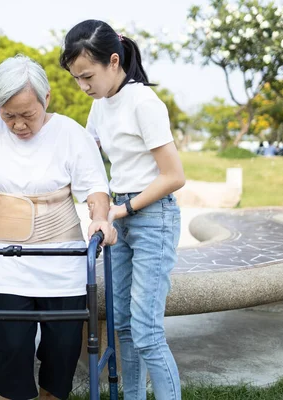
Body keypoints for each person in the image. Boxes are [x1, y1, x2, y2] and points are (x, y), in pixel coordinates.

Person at [0, 55, 117, 400]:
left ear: (46, 99)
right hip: (5, 264)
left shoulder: (70, 134)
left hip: (62, 264)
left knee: (63, 350)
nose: (18, 125)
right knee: (13, 349)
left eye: (27, 115)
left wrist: (98, 218)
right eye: (9, 115)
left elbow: (95, 188)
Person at [61, 20, 186, 400]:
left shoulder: (143, 102)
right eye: (76, 78)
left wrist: (123, 208)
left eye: (87, 76)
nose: (83, 86)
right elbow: (84, 158)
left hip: (152, 217)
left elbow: (174, 176)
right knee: (123, 326)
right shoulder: (100, 106)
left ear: (113, 61)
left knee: (147, 331)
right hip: (122, 219)